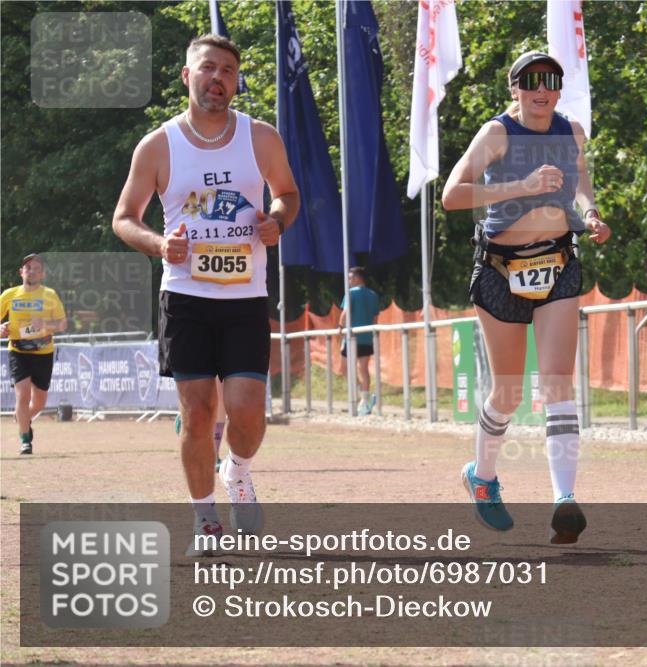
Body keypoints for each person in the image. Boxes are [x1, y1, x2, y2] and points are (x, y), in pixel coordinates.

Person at [112, 35, 299, 555]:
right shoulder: (158, 145)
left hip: (244, 298)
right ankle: (205, 520)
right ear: (187, 76)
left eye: (228, 72)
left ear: (236, 81)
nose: (218, 79)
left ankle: (236, 470)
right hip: (187, 299)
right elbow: (124, 218)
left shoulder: (260, 137)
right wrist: (159, 244)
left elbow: (286, 193)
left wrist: (276, 221)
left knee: (248, 413)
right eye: (208, 68)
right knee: (196, 414)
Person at [442, 51, 611, 544]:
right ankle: (483, 477)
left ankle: (564, 499)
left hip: (558, 262)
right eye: (532, 82)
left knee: (559, 380)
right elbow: (453, 195)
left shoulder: (571, 131)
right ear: (515, 88)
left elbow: (579, 178)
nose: (543, 90)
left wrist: (591, 213)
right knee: (509, 391)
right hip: (501, 268)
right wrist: (523, 185)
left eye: (552, 81)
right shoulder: (497, 133)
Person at [0, 254, 67, 455]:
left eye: (37, 268)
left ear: (42, 274)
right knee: (23, 395)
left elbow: (62, 324)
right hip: (18, 351)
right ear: (21, 272)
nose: (32, 271)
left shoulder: (50, 295)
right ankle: (25, 439)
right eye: (28, 268)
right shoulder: (9, 295)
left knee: (39, 402)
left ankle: (22, 418)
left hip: (43, 352)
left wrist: (44, 324)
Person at [339, 267, 380, 415]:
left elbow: (345, 312)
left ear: (357, 278)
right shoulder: (373, 295)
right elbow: (375, 318)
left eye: (350, 278)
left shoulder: (350, 294)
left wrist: (339, 326)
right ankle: (364, 399)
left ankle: (361, 396)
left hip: (352, 337)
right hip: (367, 337)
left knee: (344, 368)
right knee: (363, 368)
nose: (349, 281)